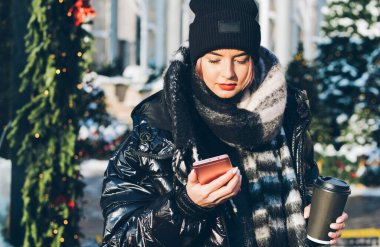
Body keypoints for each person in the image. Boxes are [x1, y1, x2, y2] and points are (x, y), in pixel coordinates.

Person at [100, 0, 348, 246]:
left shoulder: (286, 114)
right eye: (214, 60)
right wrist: (186, 206)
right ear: (197, 60)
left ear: (253, 58)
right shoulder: (157, 127)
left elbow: (302, 196)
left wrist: (314, 221)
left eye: (240, 59)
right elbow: (120, 239)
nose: (228, 73)